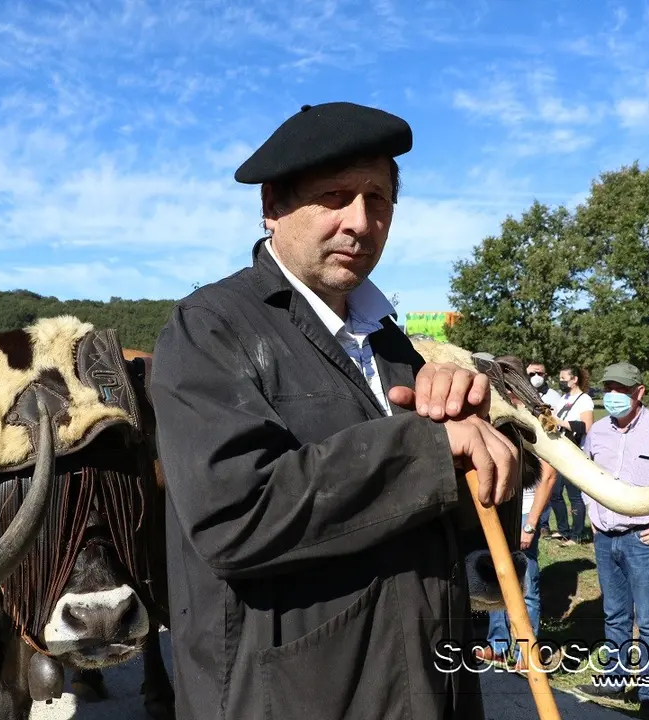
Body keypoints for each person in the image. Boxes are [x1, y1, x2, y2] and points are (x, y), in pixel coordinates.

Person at [147, 101, 524, 720]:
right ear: (272, 207)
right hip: (294, 697)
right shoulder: (210, 330)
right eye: (334, 196)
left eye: (378, 199)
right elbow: (233, 515)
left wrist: (480, 444)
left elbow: (453, 532)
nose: (360, 221)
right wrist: (427, 450)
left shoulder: (393, 345)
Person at [572, 362, 649, 720]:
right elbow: (587, 475)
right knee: (615, 613)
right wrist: (594, 517)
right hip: (606, 539)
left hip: (645, 539)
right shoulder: (598, 433)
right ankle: (615, 677)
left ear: (640, 392)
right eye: (609, 388)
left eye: (622, 389)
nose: (613, 396)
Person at [483, 358, 558, 673]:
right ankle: (498, 647)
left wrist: (530, 523)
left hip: (524, 514)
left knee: (527, 586)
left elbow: (550, 475)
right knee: (495, 583)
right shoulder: (493, 417)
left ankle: (526, 652)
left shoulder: (539, 420)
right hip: (497, 512)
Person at [542, 365, 594, 545]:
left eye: (564, 378)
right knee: (555, 493)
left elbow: (586, 427)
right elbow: (555, 419)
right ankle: (563, 530)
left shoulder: (584, 399)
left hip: (575, 452)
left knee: (574, 496)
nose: (561, 381)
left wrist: (561, 422)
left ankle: (577, 535)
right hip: (559, 450)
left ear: (575, 379)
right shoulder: (563, 398)